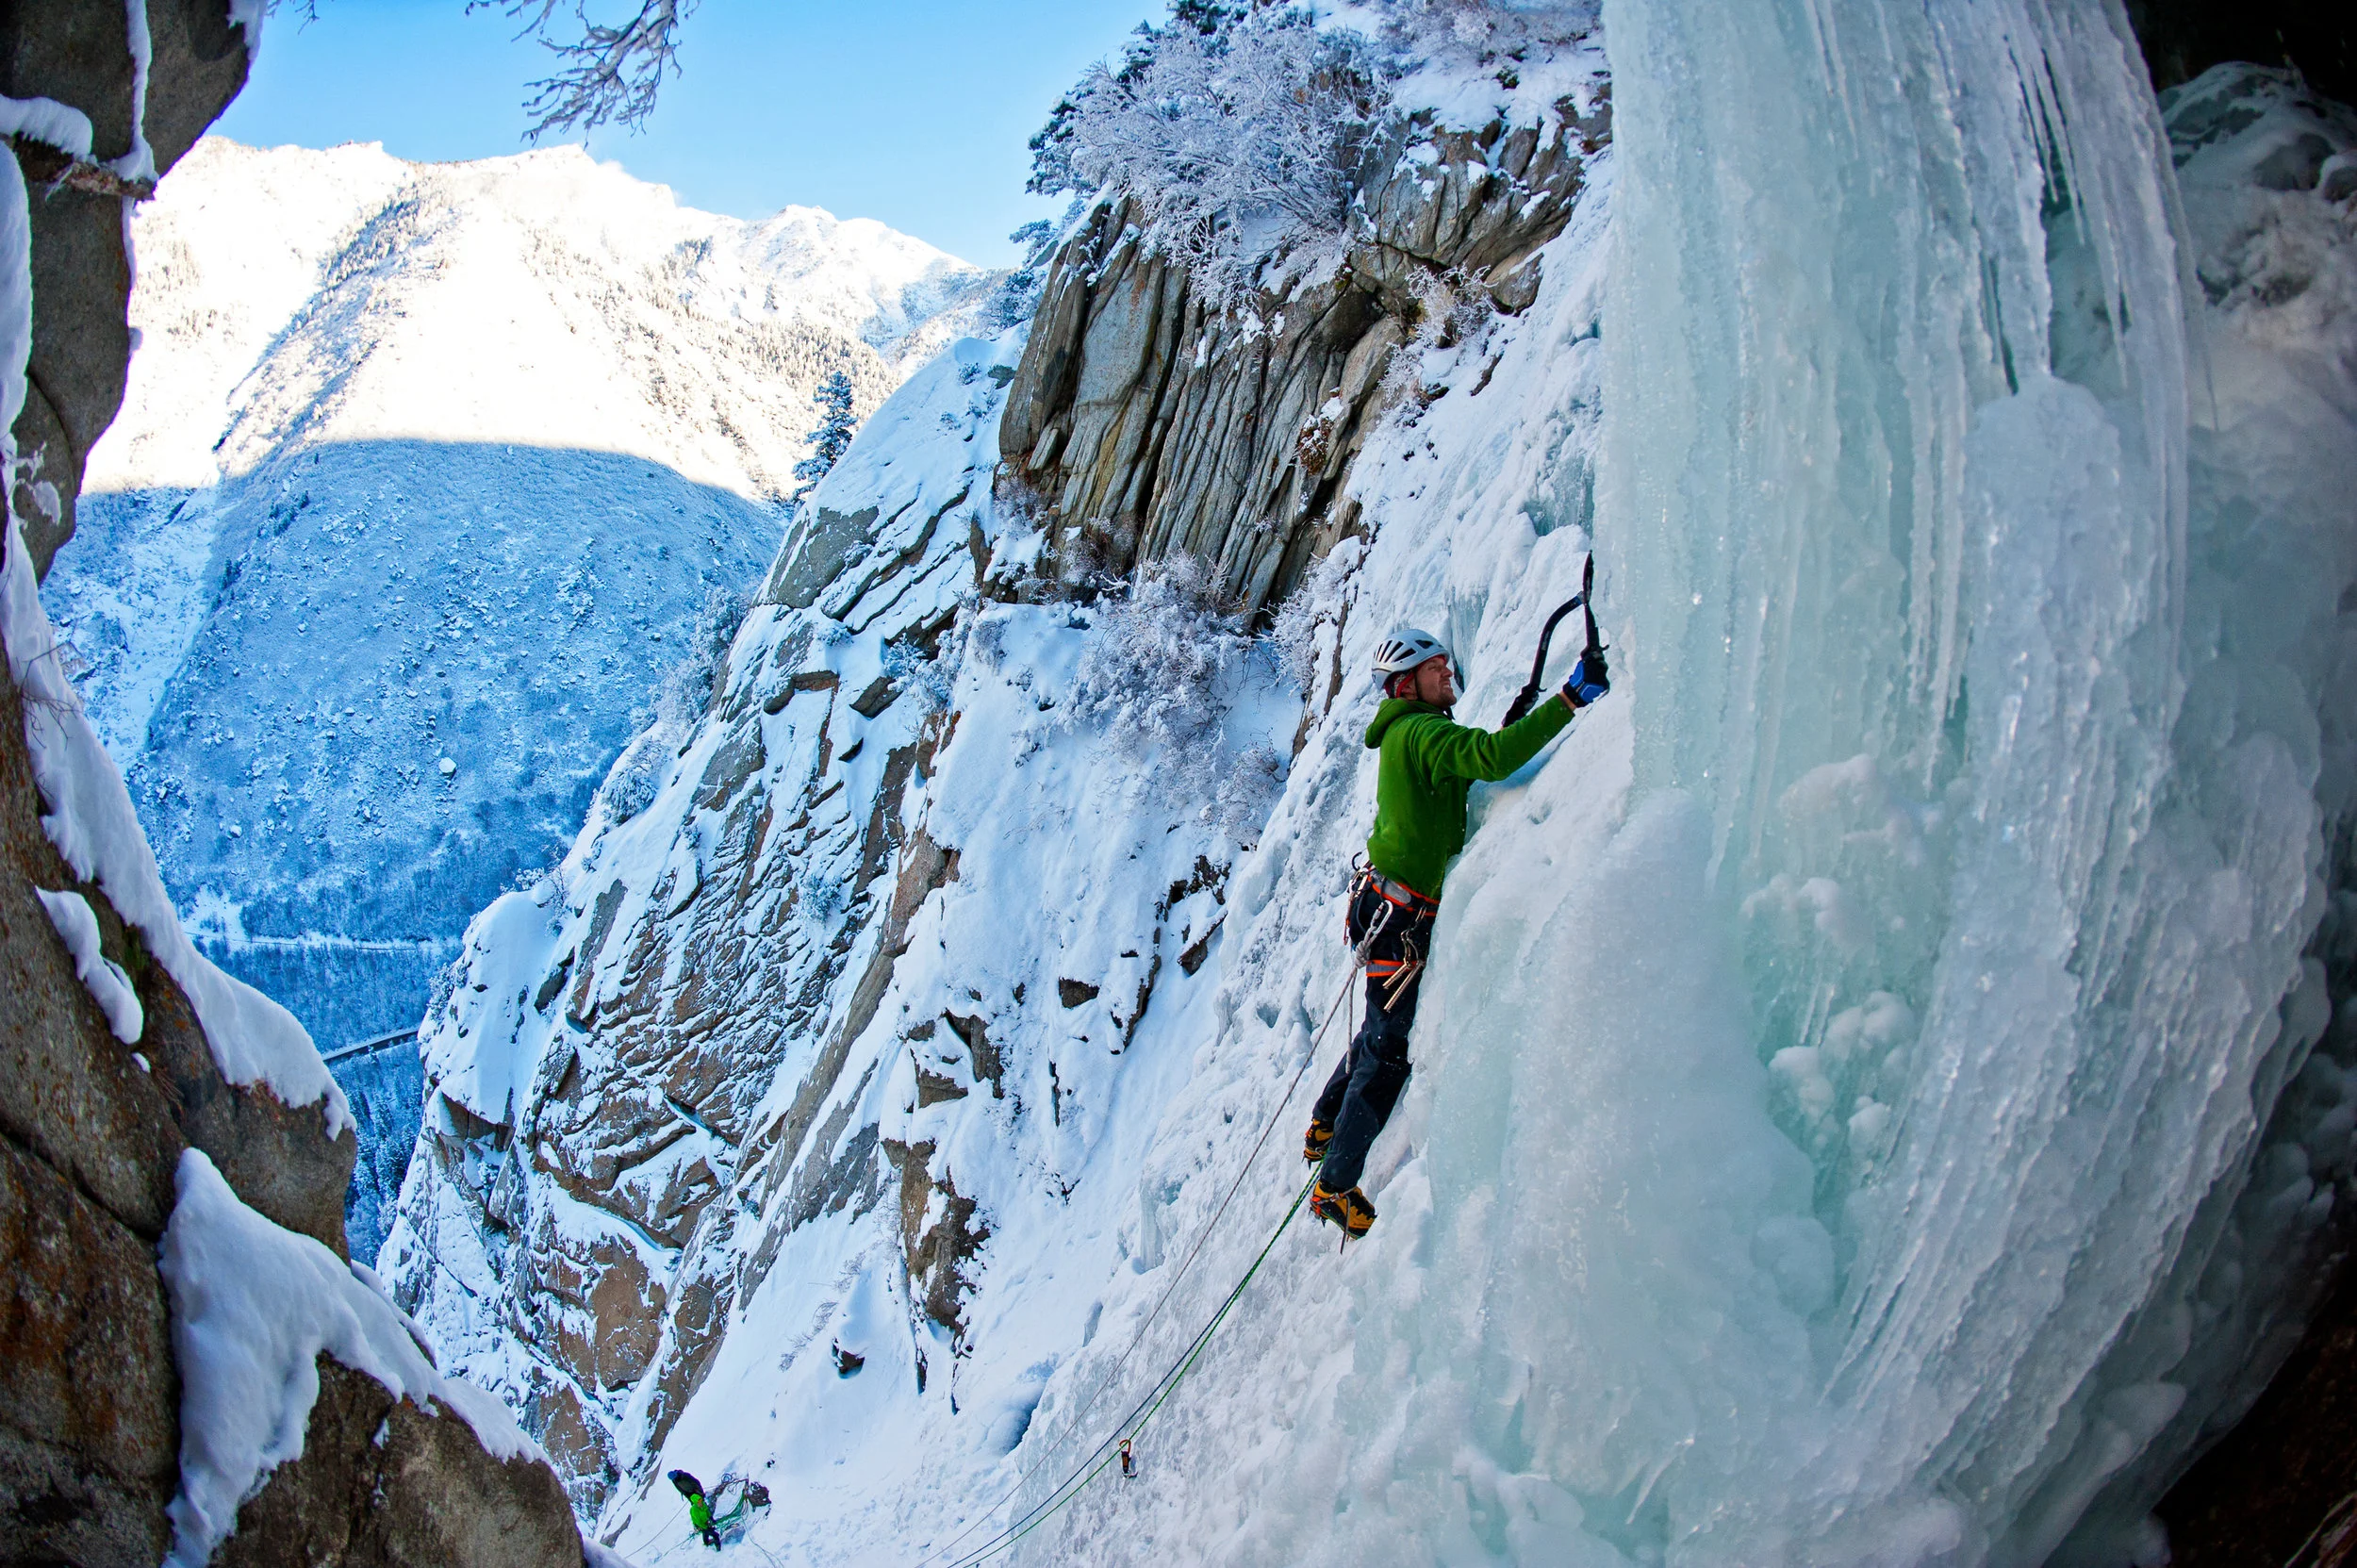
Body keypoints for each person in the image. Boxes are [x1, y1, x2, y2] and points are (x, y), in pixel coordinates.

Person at [1305, 626, 1608, 1238]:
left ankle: (1323, 1123)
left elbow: (1463, 767)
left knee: (1376, 1029)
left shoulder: (1408, 735)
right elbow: (1490, 758)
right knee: (1388, 1052)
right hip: (1402, 918)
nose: (1448, 672)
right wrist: (1572, 698)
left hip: (1382, 905)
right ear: (1406, 681)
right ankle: (1334, 1187)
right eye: (1436, 666)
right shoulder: (1421, 730)